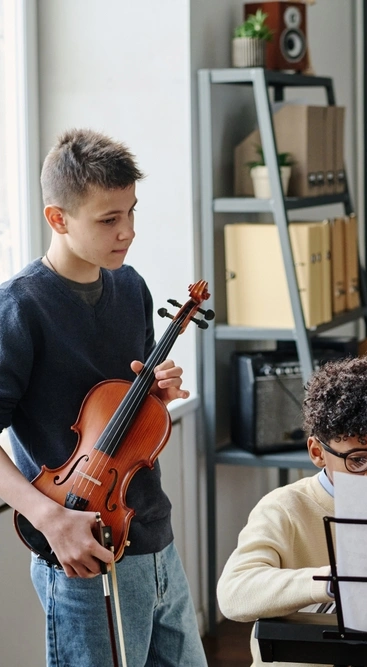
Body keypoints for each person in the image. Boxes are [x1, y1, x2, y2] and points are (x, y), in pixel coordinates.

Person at [0, 129, 207, 666]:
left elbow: (128, 414)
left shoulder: (130, 287)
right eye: (109, 220)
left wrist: (159, 393)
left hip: (154, 539)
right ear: (58, 219)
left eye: (131, 213)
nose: (128, 232)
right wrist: (49, 519)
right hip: (80, 554)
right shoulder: (20, 308)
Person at [217, 352, 367, 667]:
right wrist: (330, 581)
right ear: (317, 452)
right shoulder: (284, 508)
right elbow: (234, 594)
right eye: (357, 460)